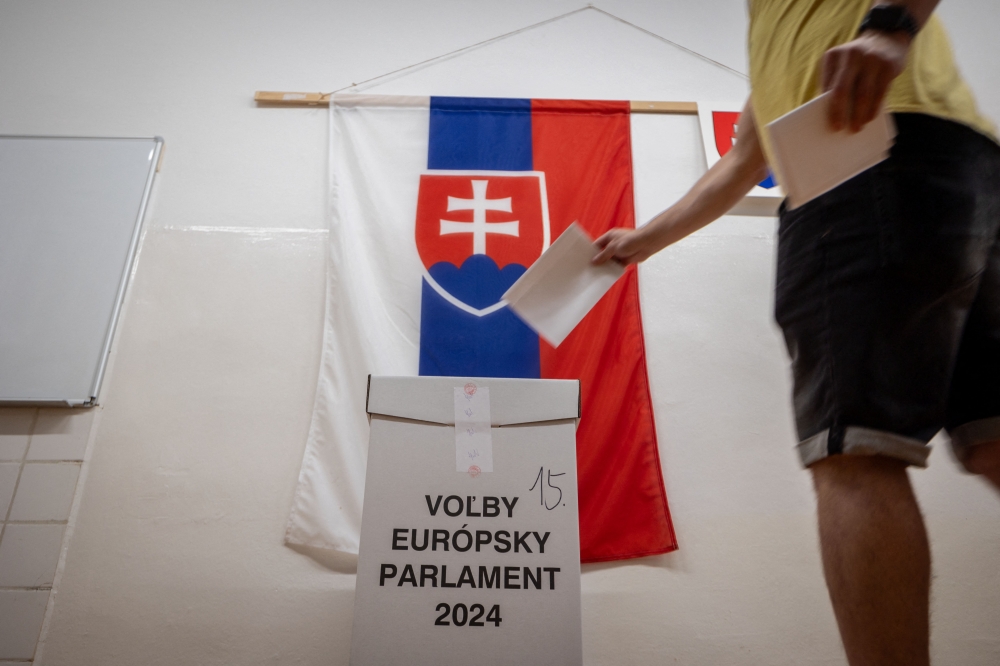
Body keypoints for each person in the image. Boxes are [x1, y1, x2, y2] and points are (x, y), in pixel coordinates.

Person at [593, 2, 1000, 664]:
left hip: (861, 156)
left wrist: (890, 26)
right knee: (991, 444)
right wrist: (643, 241)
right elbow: (744, 160)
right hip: (968, 169)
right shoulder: (775, 34)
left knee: (853, 456)